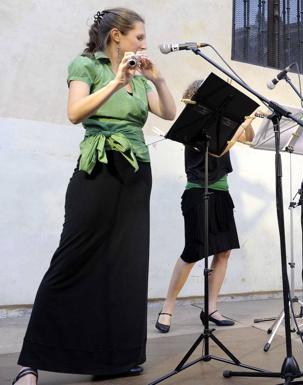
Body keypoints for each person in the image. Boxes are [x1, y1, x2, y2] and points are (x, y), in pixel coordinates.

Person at [12, 8, 176, 385]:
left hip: (137, 172)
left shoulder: (139, 77)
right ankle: (31, 361)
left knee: (126, 265)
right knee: (72, 257)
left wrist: (159, 79)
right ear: (116, 36)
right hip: (98, 167)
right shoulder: (86, 65)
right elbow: (75, 112)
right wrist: (117, 83)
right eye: (138, 36)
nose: (144, 43)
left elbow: (168, 113)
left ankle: (117, 357)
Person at [155, 80, 256, 332]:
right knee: (193, 251)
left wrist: (248, 118)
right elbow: (218, 151)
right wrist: (234, 127)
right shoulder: (193, 125)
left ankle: (211, 308)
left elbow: (249, 138)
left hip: (222, 193)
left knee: (223, 252)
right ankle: (167, 307)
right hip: (198, 191)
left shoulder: (226, 124)